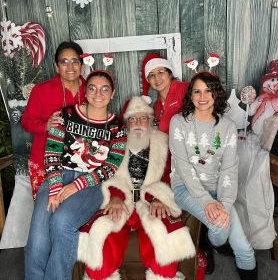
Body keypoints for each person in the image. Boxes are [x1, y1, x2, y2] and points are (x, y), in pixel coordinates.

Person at [77, 96, 195, 280]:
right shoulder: (114, 141)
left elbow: (171, 175)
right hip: (121, 201)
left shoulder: (164, 143)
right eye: (133, 118)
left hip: (150, 201)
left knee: (163, 238)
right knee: (101, 236)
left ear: (150, 120)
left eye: (143, 118)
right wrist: (115, 196)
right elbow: (106, 173)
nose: (138, 123)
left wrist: (158, 198)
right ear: (126, 122)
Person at [25, 70, 127, 280]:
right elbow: (52, 152)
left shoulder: (118, 128)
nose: (98, 93)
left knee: (62, 222)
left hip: (92, 185)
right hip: (57, 177)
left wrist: (76, 185)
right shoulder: (65, 115)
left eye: (104, 88)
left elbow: (110, 167)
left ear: (113, 93)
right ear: (85, 92)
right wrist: (54, 189)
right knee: (37, 238)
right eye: (92, 88)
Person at [169, 72, 257, 280]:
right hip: (185, 187)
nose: (202, 96)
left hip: (219, 187)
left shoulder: (227, 127)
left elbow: (229, 169)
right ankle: (215, 241)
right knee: (219, 225)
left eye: (208, 91)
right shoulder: (179, 122)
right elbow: (183, 167)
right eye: (197, 91)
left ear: (216, 94)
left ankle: (213, 243)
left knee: (244, 248)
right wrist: (208, 202)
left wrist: (224, 204)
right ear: (190, 95)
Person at [21, 41, 87, 199]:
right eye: (64, 62)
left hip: (81, 163)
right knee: (46, 210)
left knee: (74, 215)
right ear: (56, 66)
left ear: (82, 65)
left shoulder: (91, 89)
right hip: (44, 160)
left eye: (75, 61)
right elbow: (26, 121)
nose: (70, 67)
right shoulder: (41, 90)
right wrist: (46, 125)